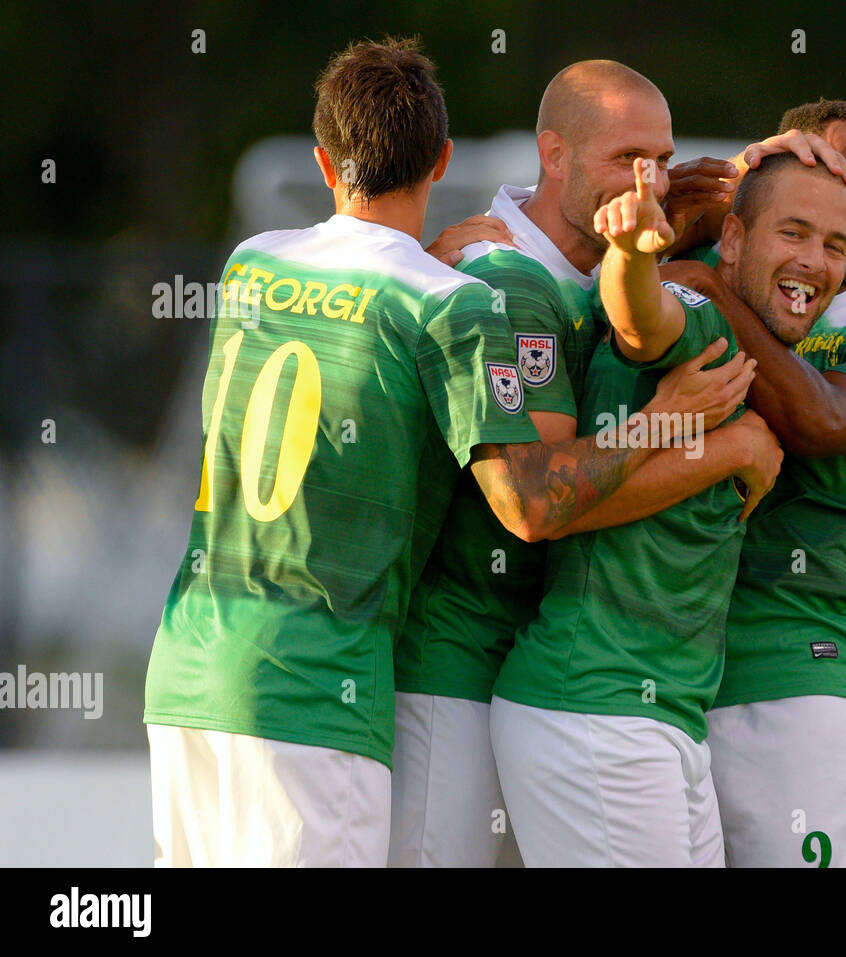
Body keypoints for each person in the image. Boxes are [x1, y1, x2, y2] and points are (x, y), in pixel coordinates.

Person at [143, 38, 701, 867]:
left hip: (188, 668)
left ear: (323, 160)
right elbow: (529, 504)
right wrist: (669, 419)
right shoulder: (452, 302)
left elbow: (344, 312)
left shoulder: (251, 262)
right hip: (315, 687)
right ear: (442, 159)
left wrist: (421, 262)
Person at [388, 59, 772, 868]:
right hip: (451, 673)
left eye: (664, 159)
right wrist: (683, 433)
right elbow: (533, 504)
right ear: (553, 153)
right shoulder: (505, 281)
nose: (653, 182)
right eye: (628, 158)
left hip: (527, 679)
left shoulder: (595, 268)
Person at [490, 152, 846, 867]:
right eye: (794, 232)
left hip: (660, 717)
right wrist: (630, 253)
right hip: (595, 707)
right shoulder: (702, 319)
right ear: (737, 241)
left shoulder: (764, 353)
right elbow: (640, 318)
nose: (814, 260)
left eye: (834, 244)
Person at [660, 99, 846, 867]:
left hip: (796, 678)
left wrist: (709, 288)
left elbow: (819, 419)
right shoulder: (701, 278)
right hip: (663, 676)